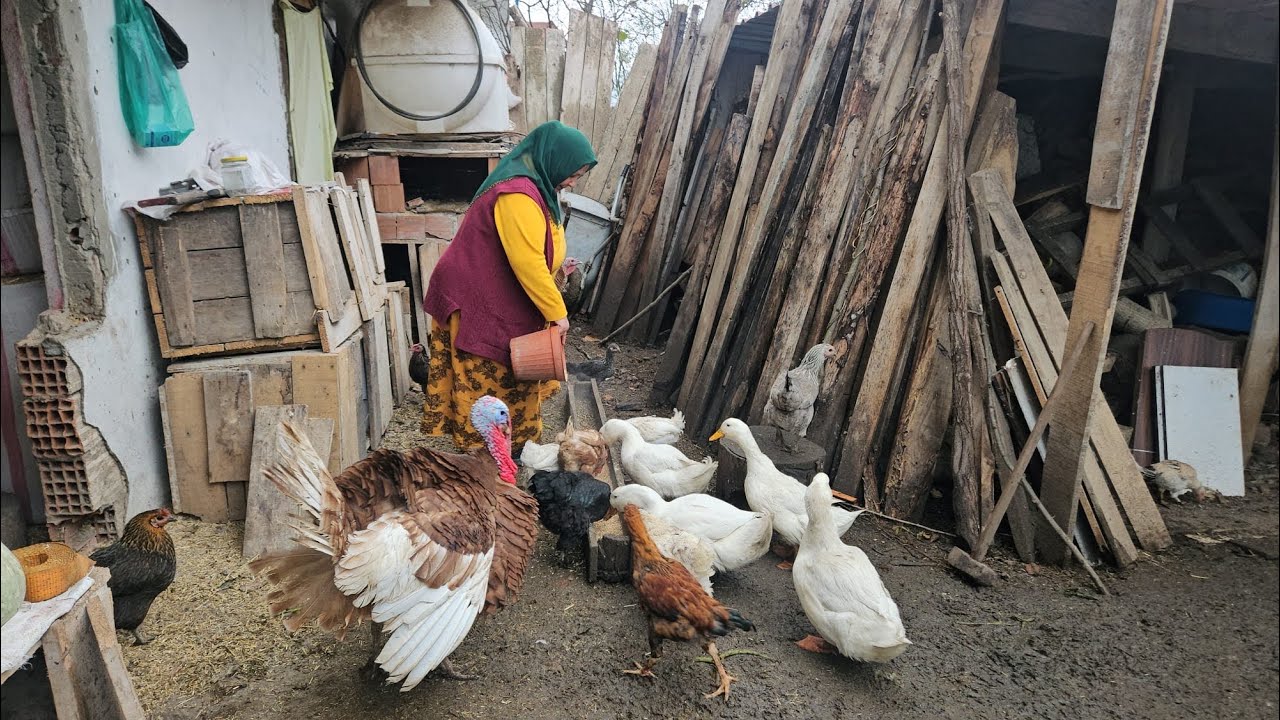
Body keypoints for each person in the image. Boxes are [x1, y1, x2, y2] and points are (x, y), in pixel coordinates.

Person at [422, 121, 597, 450]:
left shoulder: (541, 191)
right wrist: (559, 313)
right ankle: (481, 454)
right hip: (476, 296)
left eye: (579, 174)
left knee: (514, 371)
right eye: (572, 172)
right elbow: (528, 262)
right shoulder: (516, 193)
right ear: (553, 159)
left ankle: (510, 447)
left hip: (504, 292)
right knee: (486, 373)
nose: (573, 181)